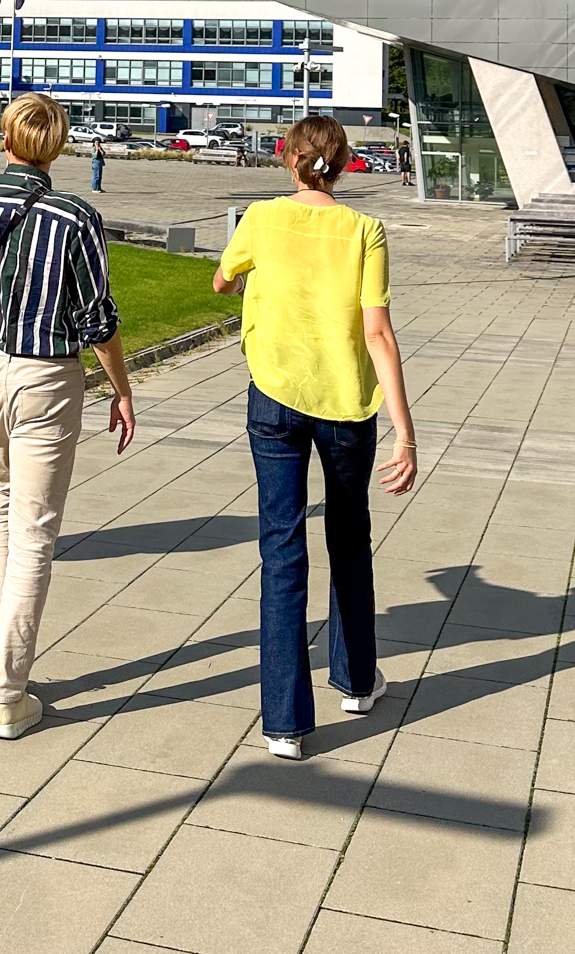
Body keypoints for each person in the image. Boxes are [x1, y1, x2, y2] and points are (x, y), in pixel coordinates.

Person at [214, 112, 416, 760]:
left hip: (274, 396)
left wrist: (246, 280)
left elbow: (222, 279)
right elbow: (377, 332)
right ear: (345, 163)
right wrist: (405, 432)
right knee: (349, 539)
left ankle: (285, 724)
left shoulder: (260, 218)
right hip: (345, 405)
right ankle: (356, 682)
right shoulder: (363, 230)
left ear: (288, 158)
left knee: (281, 550)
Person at [0, 91, 136, 740]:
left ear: (6, 139)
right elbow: (96, 317)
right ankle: (9, 691)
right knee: (34, 531)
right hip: (44, 374)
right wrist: (121, 389)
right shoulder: (74, 216)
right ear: (58, 147)